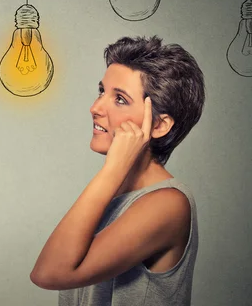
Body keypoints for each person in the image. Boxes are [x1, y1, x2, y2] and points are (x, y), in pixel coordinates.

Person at [30, 36, 206, 305]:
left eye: (120, 99)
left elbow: (48, 274)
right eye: (102, 91)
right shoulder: (113, 197)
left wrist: (113, 169)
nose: (95, 107)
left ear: (159, 125)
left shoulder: (168, 204)